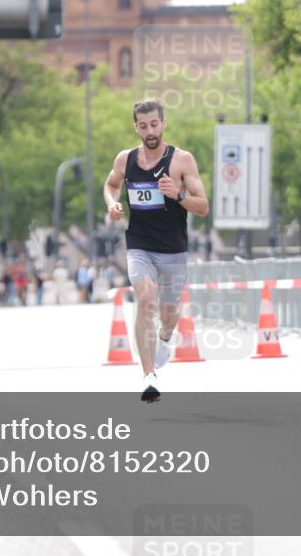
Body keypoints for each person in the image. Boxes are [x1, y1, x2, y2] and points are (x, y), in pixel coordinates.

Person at [102, 97, 209, 402]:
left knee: (169, 314)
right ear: (136, 127)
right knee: (145, 298)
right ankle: (149, 375)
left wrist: (177, 195)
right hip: (140, 245)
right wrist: (112, 204)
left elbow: (202, 206)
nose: (149, 131)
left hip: (173, 248)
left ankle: (164, 338)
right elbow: (110, 185)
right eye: (143, 125)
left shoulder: (182, 161)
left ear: (163, 124)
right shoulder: (125, 160)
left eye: (154, 124)